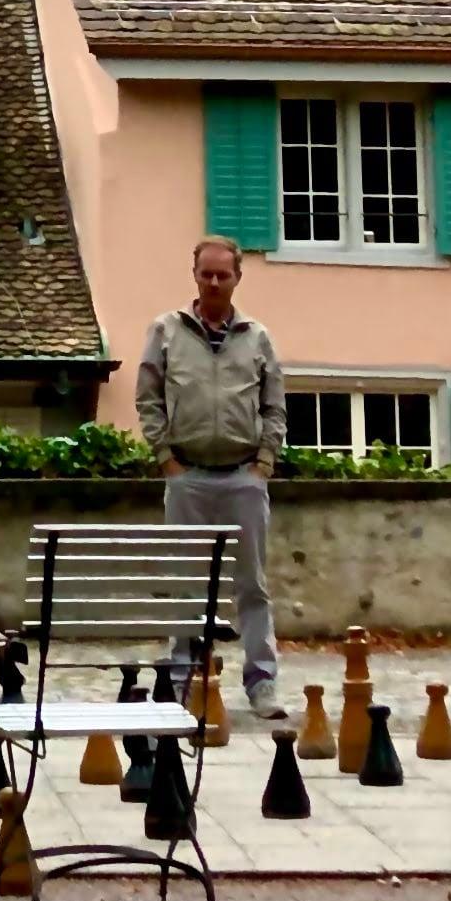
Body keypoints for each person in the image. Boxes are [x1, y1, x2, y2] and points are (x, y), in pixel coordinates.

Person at [135, 236, 286, 716]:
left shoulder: (257, 337)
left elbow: (274, 406)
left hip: (243, 476)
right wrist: (166, 460)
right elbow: (148, 397)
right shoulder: (166, 331)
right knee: (184, 581)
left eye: (224, 275)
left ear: (238, 277)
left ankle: (261, 683)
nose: (215, 282)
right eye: (207, 274)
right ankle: (181, 677)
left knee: (252, 585)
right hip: (188, 476)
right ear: (195, 275)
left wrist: (264, 464)